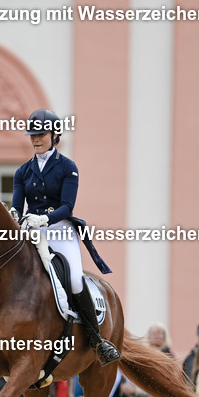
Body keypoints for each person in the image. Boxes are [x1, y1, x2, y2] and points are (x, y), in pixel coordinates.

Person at [12, 108, 119, 366]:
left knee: (73, 280)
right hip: (31, 231)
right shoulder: (22, 171)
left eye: (41, 134)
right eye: (32, 135)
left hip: (59, 230)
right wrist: (15, 214)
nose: (36, 139)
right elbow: (17, 204)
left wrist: (44, 219)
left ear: (54, 134)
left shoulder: (67, 167)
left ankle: (97, 340)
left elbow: (67, 206)